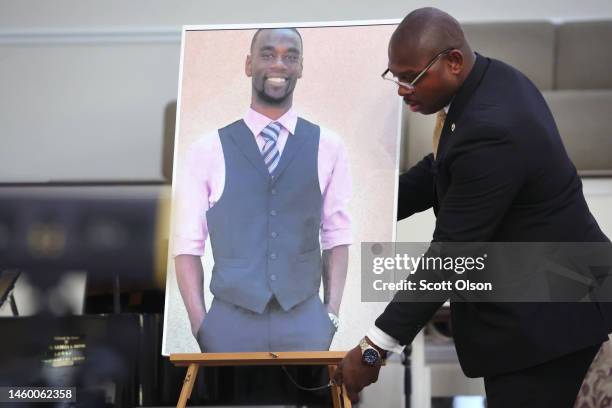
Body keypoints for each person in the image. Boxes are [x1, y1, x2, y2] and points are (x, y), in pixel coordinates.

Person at [334, 8, 612, 407]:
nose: (401, 89)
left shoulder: (492, 129)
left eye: (411, 77)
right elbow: (442, 168)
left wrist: (376, 348)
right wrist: (358, 206)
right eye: (394, 76)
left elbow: (451, 254)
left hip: (549, 323)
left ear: (453, 62)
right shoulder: (492, 80)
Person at [173, 27, 352, 352]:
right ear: (248, 64)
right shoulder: (206, 150)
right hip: (229, 324)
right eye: (268, 54)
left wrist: (332, 314)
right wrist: (201, 325)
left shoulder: (330, 146)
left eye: (291, 56)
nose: (279, 64)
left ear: (300, 67)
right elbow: (187, 245)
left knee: (310, 404)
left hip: (306, 322)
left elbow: (337, 237)